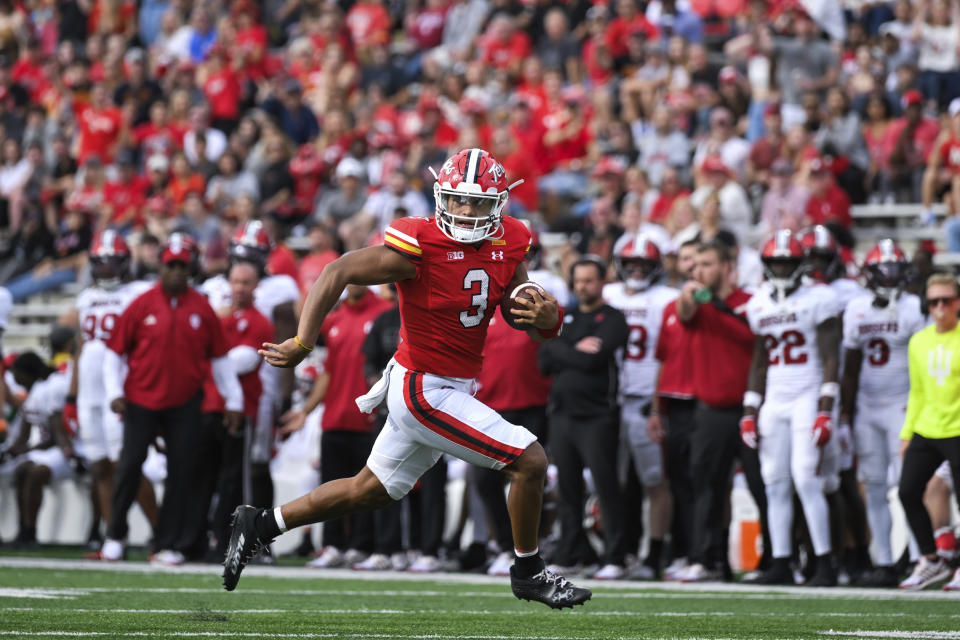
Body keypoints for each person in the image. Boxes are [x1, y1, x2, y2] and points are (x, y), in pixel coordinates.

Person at [224, 148, 591, 609]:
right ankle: (528, 572)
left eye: (477, 203)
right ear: (441, 197)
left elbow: (528, 320)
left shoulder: (510, 240)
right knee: (531, 460)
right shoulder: (420, 244)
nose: (465, 211)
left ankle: (260, 525)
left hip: (451, 385)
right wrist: (302, 342)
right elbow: (337, 271)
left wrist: (549, 314)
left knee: (369, 490)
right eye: (457, 200)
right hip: (422, 386)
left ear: (498, 205)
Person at [99, 233, 244, 565]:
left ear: (191, 268)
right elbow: (114, 354)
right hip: (140, 399)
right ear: (162, 267)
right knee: (130, 466)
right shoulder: (142, 303)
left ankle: (167, 542)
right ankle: (115, 535)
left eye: (183, 265)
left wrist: (233, 400)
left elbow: (220, 359)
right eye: (172, 265)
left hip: (185, 403)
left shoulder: (202, 308)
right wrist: (115, 392)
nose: (177, 271)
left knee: (181, 473)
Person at [741, 230, 841, 587]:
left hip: (808, 392)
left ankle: (825, 563)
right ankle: (781, 561)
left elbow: (832, 356)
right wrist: (749, 410)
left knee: (805, 477)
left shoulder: (820, 298)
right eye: (775, 262)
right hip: (775, 398)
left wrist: (826, 408)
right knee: (774, 482)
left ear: (800, 264)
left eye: (787, 262)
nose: (781, 269)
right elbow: (759, 361)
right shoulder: (759, 302)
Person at [674, 240, 769, 583]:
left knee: (763, 486)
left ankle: (772, 561)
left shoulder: (753, 302)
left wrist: (712, 301)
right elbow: (684, 312)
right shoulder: (696, 302)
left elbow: (755, 338)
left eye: (707, 264)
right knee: (708, 489)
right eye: (696, 264)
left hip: (752, 409)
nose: (698, 271)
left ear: (728, 267)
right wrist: (690, 295)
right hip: (711, 410)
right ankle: (708, 558)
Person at [279, 283, 391, 569]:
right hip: (335, 416)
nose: (352, 282)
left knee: (365, 489)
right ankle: (332, 545)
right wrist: (306, 410)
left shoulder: (383, 313)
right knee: (330, 485)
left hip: (366, 417)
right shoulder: (335, 320)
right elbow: (328, 372)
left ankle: (360, 546)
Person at [840, 240, 926, 587]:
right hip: (867, 407)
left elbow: (921, 359)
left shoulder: (913, 308)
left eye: (895, 271)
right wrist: (845, 415)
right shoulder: (856, 309)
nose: (889, 279)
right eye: (883, 272)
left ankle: (921, 558)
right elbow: (850, 367)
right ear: (870, 274)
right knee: (874, 486)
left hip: (902, 405)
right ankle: (886, 561)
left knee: (909, 486)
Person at [539, 255, 629, 578]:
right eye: (578, 281)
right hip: (562, 414)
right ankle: (570, 551)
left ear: (602, 281)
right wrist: (574, 348)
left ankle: (615, 557)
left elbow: (595, 361)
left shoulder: (614, 318)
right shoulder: (566, 317)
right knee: (567, 487)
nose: (583, 286)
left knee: (606, 486)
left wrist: (562, 350)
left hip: (598, 415)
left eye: (589, 280)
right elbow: (544, 359)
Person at [201, 221, 300, 513]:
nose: (245, 264)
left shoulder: (279, 287)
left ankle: (259, 536)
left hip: (260, 387)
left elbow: (287, 343)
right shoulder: (214, 287)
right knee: (217, 461)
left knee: (256, 463)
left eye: (252, 257)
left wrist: (286, 394)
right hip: (214, 389)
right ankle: (217, 531)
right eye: (241, 256)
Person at [71, 231, 154, 558]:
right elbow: (80, 348)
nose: (106, 269)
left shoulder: (140, 292)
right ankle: (113, 539)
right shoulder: (86, 297)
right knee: (100, 466)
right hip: (89, 392)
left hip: (119, 387)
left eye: (112, 263)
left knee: (127, 464)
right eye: (100, 263)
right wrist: (70, 395)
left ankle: (161, 533)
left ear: (125, 264)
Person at [603, 234, 677, 579]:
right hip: (611, 399)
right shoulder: (608, 294)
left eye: (643, 265)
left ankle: (655, 554)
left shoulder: (667, 299)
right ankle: (621, 551)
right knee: (613, 481)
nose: (635, 271)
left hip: (648, 398)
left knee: (654, 480)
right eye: (630, 264)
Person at [203, 261, 275, 560]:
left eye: (246, 282)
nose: (239, 288)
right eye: (235, 281)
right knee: (212, 476)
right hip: (213, 406)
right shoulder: (219, 317)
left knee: (240, 480)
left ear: (256, 286)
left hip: (242, 408)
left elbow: (238, 362)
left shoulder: (259, 322)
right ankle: (214, 537)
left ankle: (244, 542)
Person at [896, 272, 960, 591]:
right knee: (907, 490)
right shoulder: (919, 341)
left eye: (946, 300)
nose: (939, 308)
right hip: (927, 427)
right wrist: (907, 434)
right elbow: (917, 392)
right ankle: (931, 559)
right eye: (933, 301)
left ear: (957, 303)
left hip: (958, 428)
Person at [1, 352, 72, 548]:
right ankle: (23, 530)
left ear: (27, 373)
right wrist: (9, 453)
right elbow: (24, 437)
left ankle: (31, 532)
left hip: (69, 448)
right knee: (21, 470)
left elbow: (56, 436)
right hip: (50, 449)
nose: (13, 376)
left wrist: (25, 450)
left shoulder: (49, 388)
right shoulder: (33, 392)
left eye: (16, 372)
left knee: (34, 472)